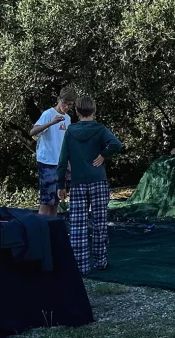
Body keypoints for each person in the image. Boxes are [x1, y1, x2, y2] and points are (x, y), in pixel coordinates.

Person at [56, 96, 123, 274]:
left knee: (77, 225)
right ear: (94, 110)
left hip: (78, 182)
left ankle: (81, 266)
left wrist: (61, 185)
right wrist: (103, 155)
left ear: (77, 112)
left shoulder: (70, 131)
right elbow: (116, 144)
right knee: (100, 223)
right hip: (98, 181)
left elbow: (63, 160)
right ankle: (100, 262)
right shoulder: (100, 129)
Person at [29, 87, 76, 216]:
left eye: (70, 105)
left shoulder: (67, 118)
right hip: (47, 162)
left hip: (61, 163)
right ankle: (41, 229)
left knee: (56, 200)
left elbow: (65, 142)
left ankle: (52, 229)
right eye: (64, 103)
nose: (66, 107)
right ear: (58, 100)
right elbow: (32, 132)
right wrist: (51, 123)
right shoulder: (48, 114)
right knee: (46, 201)